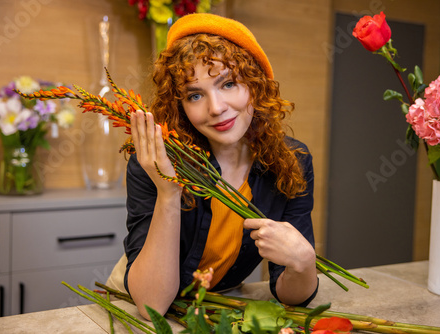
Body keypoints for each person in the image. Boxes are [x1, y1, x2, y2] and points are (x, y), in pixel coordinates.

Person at [124, 13, 319, 319]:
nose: (215, 108)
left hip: (219, 307)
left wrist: (305, 262)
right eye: (195, 94)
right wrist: (168, 192)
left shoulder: (293, 162)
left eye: (228, 83)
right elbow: (152, 308)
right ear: (180, 105)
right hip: (143, 299)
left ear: (255, 85)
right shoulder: (157, 163)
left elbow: (290, 296)